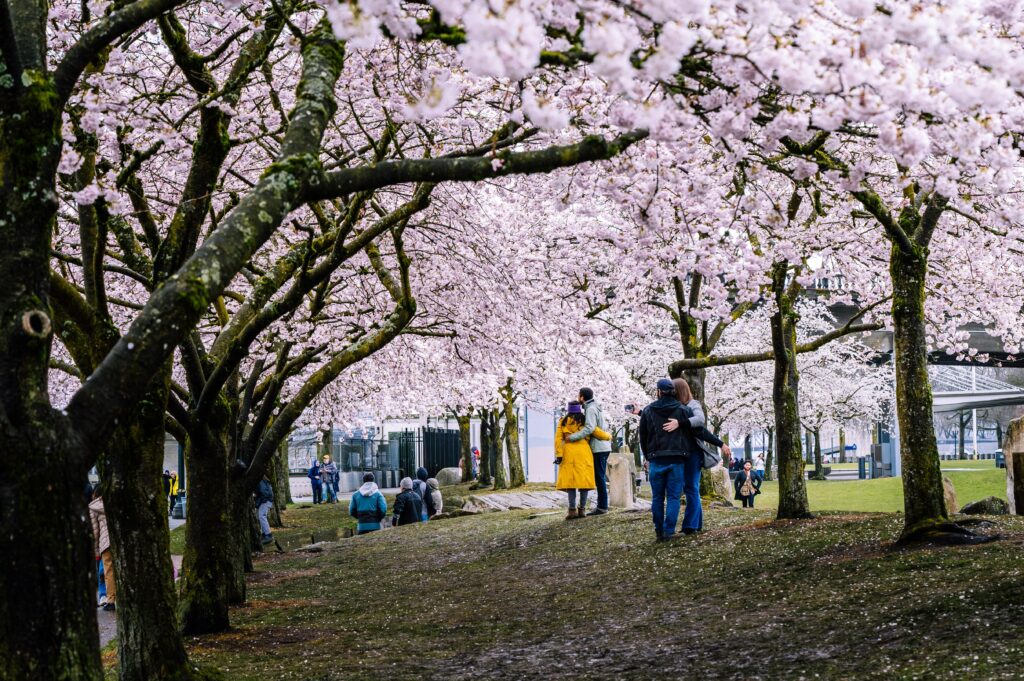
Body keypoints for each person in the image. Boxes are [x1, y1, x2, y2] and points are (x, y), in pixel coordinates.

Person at [639, 379, 692, 541]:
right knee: (674, 497)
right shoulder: (683, 410)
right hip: (677, 459)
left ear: (658, 392)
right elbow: (690, 433)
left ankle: (658, 530)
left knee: (657, 497)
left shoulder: (648, 411)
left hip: (656, 459)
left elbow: (643, 436)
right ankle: (669, 530)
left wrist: (648, 456)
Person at [555, 401, 612, 519]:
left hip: (568, 452)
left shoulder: (563, 421)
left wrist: (559, 454)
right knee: (583, 482)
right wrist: (608, 436)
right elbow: (595, 431)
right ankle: (582, 510)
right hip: (584, 452)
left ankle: (571, 510)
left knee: (571, 483)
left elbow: (558, 439)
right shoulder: (585, 420)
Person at [88, 491, 116, 611]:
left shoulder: (94, 507)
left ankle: (110, 600)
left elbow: (95, 532)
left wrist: (95, 551)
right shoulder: (116, 502)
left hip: (106, 544)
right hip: (120, 539)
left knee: (108, 571)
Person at [255, 475, 275, 545]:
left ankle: (268, 535)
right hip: (266, 500)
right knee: (261, 516)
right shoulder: (263, 479)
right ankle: (264, 534)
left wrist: (256, 498)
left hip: (265, 500)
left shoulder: (260, 480)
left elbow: (263, 492)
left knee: (262, 516)